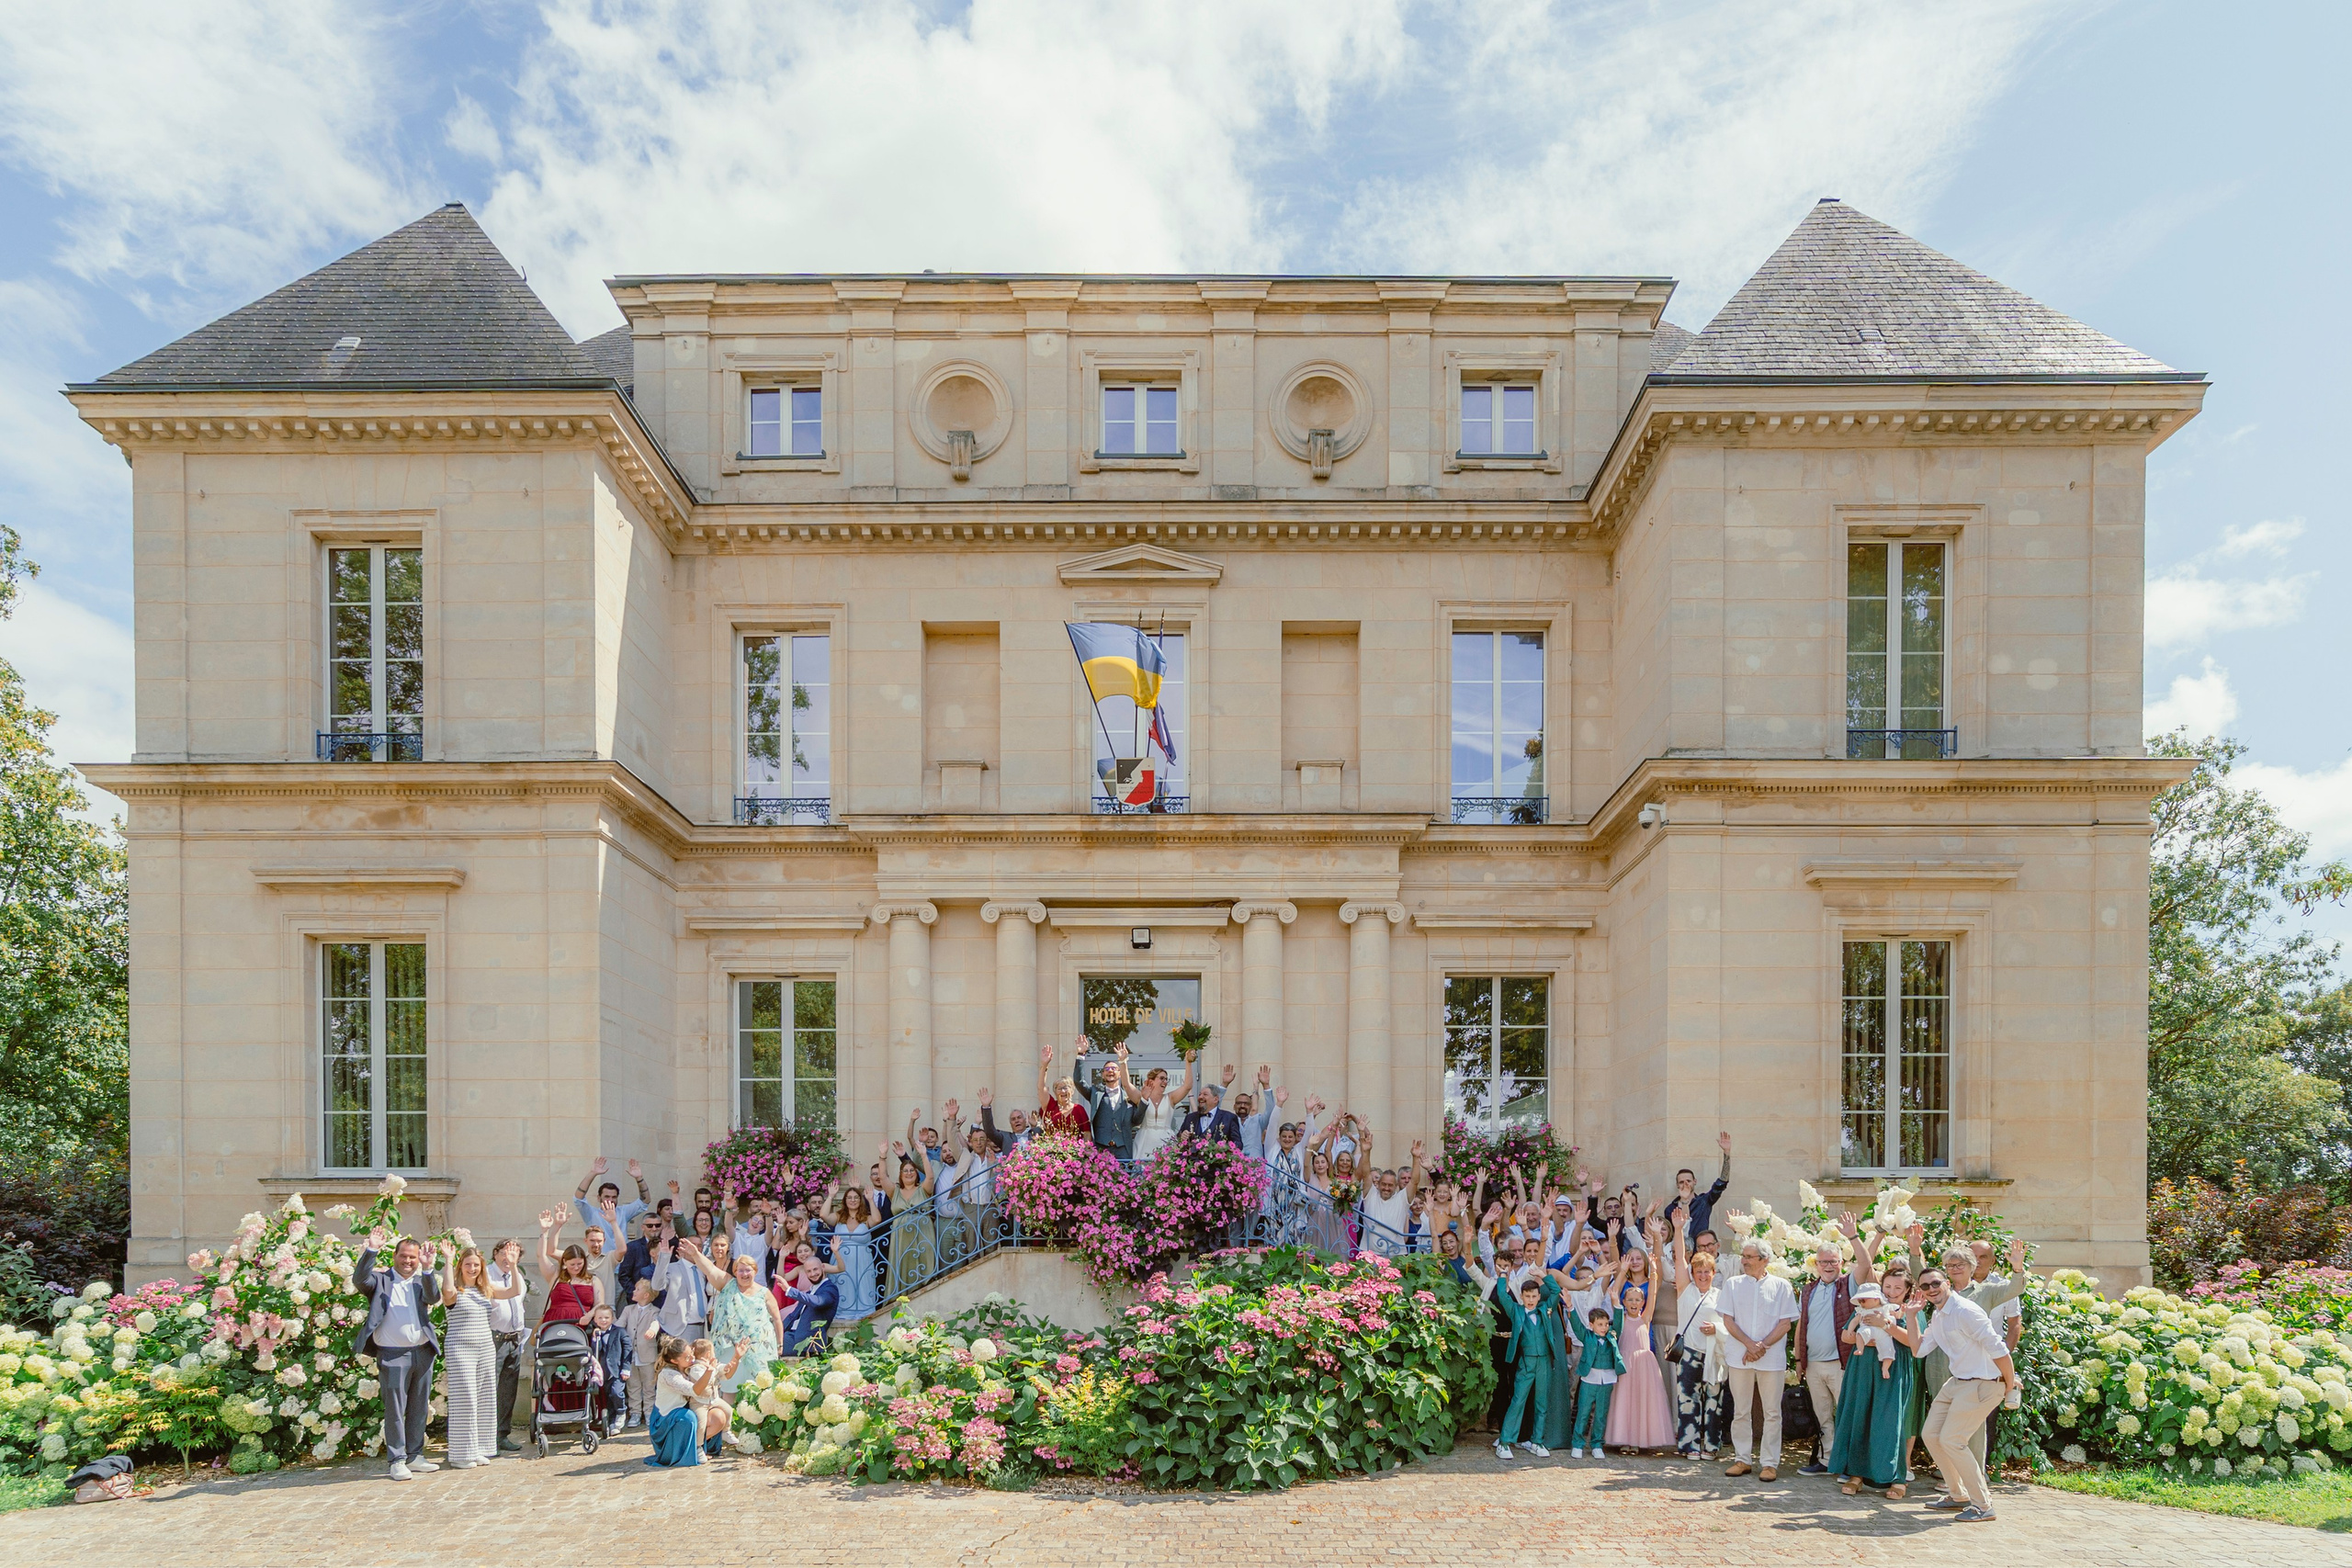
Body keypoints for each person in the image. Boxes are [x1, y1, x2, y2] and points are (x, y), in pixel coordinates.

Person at [1907, 1231, 2029, 1485]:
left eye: (1960, 1264)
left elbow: (2014, 1289)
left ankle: (1974, 1477)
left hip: (1976, 1365)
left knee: (1972, 1423)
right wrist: (1915, 1249)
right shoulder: (1938, 1289)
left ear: (1971, 1266)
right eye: (1950, 1265)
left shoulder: (1986, 1292)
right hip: (1941, 1361)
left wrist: (2018, 1268)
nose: (1955, 1268)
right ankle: (1951, 1477)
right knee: (1943, 1422)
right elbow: (1921, 1275)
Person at [1906, 1268, 2018, 1523]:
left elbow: (1999, 1349)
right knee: (1931, 1435)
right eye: (1925, 1286)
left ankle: (1983, 1505)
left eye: (1936, 1283)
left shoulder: (1965, 1311)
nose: (1931, 1289)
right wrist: (1911, 1316)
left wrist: (2010, 1385)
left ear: (1947, 1283)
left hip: (1983, 1382)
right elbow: (1918, 1350)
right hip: (1957, 1381)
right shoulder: (1939, 1315)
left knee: (1953, 1440)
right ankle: (1958, 1495)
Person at [1827, 1264, 1927, 1498]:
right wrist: (1861, 1337)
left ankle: (1897, 1478)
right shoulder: (1867, 1304)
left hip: (1894, 1369)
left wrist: (1886, 1326)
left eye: (1898, 1288)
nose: (1891, 1292)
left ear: (1907, 1290)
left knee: (1891, 1422)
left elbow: (1913, 1342)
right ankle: (1856, 1475)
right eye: (1888, 1286)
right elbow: (1846, 1336)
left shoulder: (1909, 1311)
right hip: (1862, 1367)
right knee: (1860, 1417)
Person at [352, 1233, 444, 1481]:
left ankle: (414, 1456)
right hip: (392, 1355)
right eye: (403, 1256)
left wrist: (428, 1269)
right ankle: (397, 1460)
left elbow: (433, 1298)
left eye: (413, 1257)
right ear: (394, 1256)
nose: (408, 1261)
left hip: (422, 1352)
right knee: (395, 1409)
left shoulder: (420, 1281)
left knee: (418, 1408)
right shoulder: (380, 1280)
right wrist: (371, 1249)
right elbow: (360, 1279)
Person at [436, 1240, 526, 1469]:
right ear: (461, 1266)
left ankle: (479, 1448)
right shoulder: (456, 1290)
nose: (472, 1268)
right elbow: (447, 1292)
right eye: (468, 1264)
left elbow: (515, 1291)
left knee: (484, 1399)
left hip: (485, 1347)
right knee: (465, 1399)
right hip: (461, 1348)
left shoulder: (485, 1290)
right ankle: (460, 1454)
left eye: (476, 1264)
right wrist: (448, 1261)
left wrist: (513, 1265)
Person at [1718, 1236, 1798, 1481]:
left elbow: (1785, 1324)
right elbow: (1728, 1320)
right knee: (1741, 1411)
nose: (1744, 1261)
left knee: (1772, 1412)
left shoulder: (1781, 1286)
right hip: (1740, 1356)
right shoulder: (1732, 1284)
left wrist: (1761, 1346)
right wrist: (1749, 1344)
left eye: (1749, 1257)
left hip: (1770, 1358)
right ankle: (1742, 1459)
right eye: (1743, 1256)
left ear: (1765, 1260)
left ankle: (1769, 1464)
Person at [1605, 1218, 1677, 1451]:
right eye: (1631, 1299)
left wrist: (1654, 1265)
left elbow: (1653, 1291)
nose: (1635, 1302)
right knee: (1624, 1397)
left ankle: (1641, 1438)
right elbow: (1614, 1291)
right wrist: (1621, 1264)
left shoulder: (1646, 1313)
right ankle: (1624, 1437)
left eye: (1638, 1300)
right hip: (1624, 1355)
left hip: (1644, 1351)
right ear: (1626, 1301)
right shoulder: (1621, 1308)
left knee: (1643, 1396)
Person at [681, 1239, 782, 1395]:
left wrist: (780, 1344)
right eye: (740, 1270)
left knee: (759, 1390)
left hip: (759, 1349)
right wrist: (695, 1254)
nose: (744, 1274)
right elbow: (710, 1270)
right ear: (735, 1272)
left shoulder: (765, 1293)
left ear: (755, 1271)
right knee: (729, 1388)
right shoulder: (728, 1283)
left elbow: (776, 1319)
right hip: (729, 1347)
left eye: (748, 1270)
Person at [1792, 1235, 1858, 1473]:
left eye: (1833, 1261)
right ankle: (1827, 1460)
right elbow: (1801, 1325)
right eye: (1823, 1262)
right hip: (1813, 1364)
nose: (1828, 1266)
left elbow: (1866, 1265)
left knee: (1847, 1414)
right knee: (1822, 1416)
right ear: (1816, 1264)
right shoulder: (1808, 1290)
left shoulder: (1848, 1285)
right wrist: (1798, 1359)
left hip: (1840, 1363)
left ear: (1841, 1263)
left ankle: (1850, 1464)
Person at [1669, 1223, 1730, 1458]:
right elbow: (1679, 1260)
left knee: (1714, 1401)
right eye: (1698, 1272)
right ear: (1692, 1274)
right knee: (1688, 1400)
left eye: (1707, 1272)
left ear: (1713, 1273)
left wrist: (1716, 1328)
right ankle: (1689, 1445)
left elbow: (1730, 1325)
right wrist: (1678, 1229)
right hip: (1689, 1352)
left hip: (1714, 1354)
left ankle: (1711, 1446)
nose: (1703, 1276)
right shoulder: (1686, 1290)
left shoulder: (1721, 1296)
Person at [1491, 1273, 1559, 1460]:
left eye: (1534, 1296)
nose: (1530, 1300)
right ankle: (1505, 1442)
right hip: (1526, 1362)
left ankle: (1537, 1441)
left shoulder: (1545, 1309)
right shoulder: (1516, 1311)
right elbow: (1503, 1295)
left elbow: (1556, 1291)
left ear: (1539, 1296)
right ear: (1521, 1296)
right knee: (1518, 1400)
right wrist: (1502, 1276)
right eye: (1527, 1296)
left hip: (1544, 1361)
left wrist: (1544, 1275)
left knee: (1541, 1403)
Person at [484, 1237, 530, 1453]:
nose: (508, 1258)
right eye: (503, 1253)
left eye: (513, 1254)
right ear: (495, 1254)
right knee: (490, 1389)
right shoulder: (486, 1274)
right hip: (494, 1338)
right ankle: (486, 1437)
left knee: (508, 1390)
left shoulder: (516, 1275)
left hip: (514, 1339)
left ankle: (502, 1435)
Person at [644, 1334, 715, 1468]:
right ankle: (686, 1453)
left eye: (692, 1353)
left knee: (715, 1414)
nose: (692, 1358)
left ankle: (700, 1447)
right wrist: (708, 1372)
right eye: (687, 1357)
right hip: (665, 1420)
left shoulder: (690, 1367)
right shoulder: (668, 1375)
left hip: (683, 1410)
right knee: (688, 1417)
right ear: (674, 1361)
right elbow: (695, 1390)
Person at [1568, 1303, 1626, 1459]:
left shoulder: (1611, 1336)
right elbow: (1576, 1326)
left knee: (1601, 1414)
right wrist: (1570, 1307)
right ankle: (1578, 1444)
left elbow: (1618, 1325)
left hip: (1607, 1379)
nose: (1604, 1327)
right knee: (1583, 1412)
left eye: (1606, 1324)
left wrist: (1616, 1304)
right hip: (1589, 1379)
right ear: (1591, 1325)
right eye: (1600, 1324)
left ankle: (1597, 1444)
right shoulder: (1587, 1336)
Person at [881, 1142, 937, 1299]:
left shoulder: (923, 1189)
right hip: (901, 1238)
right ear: (900, 1174)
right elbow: (883, 1177)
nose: (909, 1173)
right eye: (905, 1171)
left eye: (912, 1170)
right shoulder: (895, 1192)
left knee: (925, 1264)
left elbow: (930, 1176)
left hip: (924, 1233)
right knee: (902, 1266)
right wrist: (883, 1156)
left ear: (916, 1173)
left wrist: (924, 1155)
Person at [570, 1157, 653, 1254]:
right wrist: (592, 1173)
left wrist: (639, 1178)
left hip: (623, 1261)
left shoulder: (623, 1212)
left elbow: (645, 1201)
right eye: (607, 1197)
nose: (610, 1200)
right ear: (598, 1198)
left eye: (614, 1197)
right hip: (601, 1260)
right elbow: (578, 1198)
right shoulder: (591, 1213)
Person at [1356, 1139, 1422, 1257]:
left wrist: (1416, 1158)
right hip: (1369, 1254)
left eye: (1390, 1185)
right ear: (1378, 1184)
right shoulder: (1371, 1194)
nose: (1386, 1188)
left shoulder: (1402, 1199)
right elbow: (1366, 1174)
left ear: (1396, 1186)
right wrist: (1366, 1152)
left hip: (1396, 1255)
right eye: (1384, 1184)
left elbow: (1414, 1181)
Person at [537, 1208, 599, 1325]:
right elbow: (541, 1256)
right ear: (564, 1262)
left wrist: (589, 1315)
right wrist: (545, 1231)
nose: (576, 1268)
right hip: (555, 1324)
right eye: (572, 1264)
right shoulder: (555, 1275)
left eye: (579, 1264)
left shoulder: (593, 1280)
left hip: (581, 1324)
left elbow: (600, 1304)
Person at [1670, 1133, 1733, 1248]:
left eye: (1688, 1181)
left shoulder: (1704, 1201)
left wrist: (1727, 1153)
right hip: (1682, 1252)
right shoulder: (1670, 1209)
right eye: (1681, 1182)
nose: (1685, 1184)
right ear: (1677, 1185)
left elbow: (1722, 1182)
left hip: (1703, 1251)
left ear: (1695, 1181)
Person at [828, 1184, 879, 1321]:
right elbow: (824, 1215)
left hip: (862, 1260)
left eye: (856, 1197)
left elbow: (877, 1220)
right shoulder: (839, 1216)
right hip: (841, 1259)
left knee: (863, 1286)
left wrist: (870, 1200)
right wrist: (831, 1196)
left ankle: (864, 1313)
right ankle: (841, 1313)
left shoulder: (866, 1218)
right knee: (843, 1286)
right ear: (844, 1200)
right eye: (849, 1197)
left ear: (860, 1200)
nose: (853, 1200)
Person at [776, 1241, 841, 1353]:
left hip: (806, 1343)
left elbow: (818, 1302)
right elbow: (792, 1316)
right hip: (790, 1336)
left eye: (815, 1269)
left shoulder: (830, 1289)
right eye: (809, 1271)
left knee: (768, 1350)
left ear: (823, 1268)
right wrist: (775, 1331)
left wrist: (790, 1290)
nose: (813, 1274)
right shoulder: (810, 1292)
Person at [648, 1231, 710, 1343]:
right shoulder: (673, 1268)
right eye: (693, 1245)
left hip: (703, 1326)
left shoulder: (704, 1269)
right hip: (681, 1327)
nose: (696, 1248)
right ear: (683, 1247)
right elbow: (657, 1286)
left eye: (700, 1245)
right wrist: (664, 1258)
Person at [618, 1278, 663, 1430]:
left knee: (649, 1386)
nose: (634, 1291)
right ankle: (635, 1413)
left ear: (646, 1295)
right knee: (633, 1386)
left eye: (637, 1289)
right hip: (630, 1355)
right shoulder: (628, 1310)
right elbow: (619, 1325)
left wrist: (652, 1330)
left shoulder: (654, 1311)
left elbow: (656, 1322)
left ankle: (649, 1412)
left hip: (647, 1355)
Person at [1130, 1053, 1192, 1161]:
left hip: (1166, 1142)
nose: (1165, 1082)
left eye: (1166, 1079)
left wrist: (1188, 1062)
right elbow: (1126, 1085)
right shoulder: (1141, 1097)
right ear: (1151, 1081)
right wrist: (1123, 1062)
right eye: (1162, 1078)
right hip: (1144, 1141)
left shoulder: (1171, 1098)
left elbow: (1187, 1086)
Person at [585, 1302, 631, 1433]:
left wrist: (626, 1368)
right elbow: (595, 1352)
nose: (603, 1320)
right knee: (608, 1397)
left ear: (612, 1318)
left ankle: (621, 1412)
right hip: (603, 1372)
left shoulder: (620, 1331)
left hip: (617, 1371)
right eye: (600, 1318)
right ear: (595, 1320)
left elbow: (628, 1350)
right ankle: (612, 1423)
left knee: (617, 1392)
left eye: (606, 1317)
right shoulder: (596, 1334)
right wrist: (595, 1339)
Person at [1035, 1042, 1094, 1139]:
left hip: (1076, 1148)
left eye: (1066, 1088)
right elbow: (1041, 1088)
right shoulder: (1050, 1106)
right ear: (1055, 1092)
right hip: (1052, 1148)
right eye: (1059, 1089)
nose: (1063, 1091)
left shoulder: (1079, 1109)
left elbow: (1087, 1133)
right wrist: (1044, 1066)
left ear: (1072, 1090)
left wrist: (1087, 1148)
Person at [1177, 1078, 1241, 1145]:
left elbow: (1238, 1144)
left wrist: (1224, 1148)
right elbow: (1178, 1140)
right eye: (1199, 1094)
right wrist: (1182, 1136)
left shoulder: (1229, 1118)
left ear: (1216, 1099)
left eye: (1205, 1094)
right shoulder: (1190, 1118)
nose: (1200, 1097)